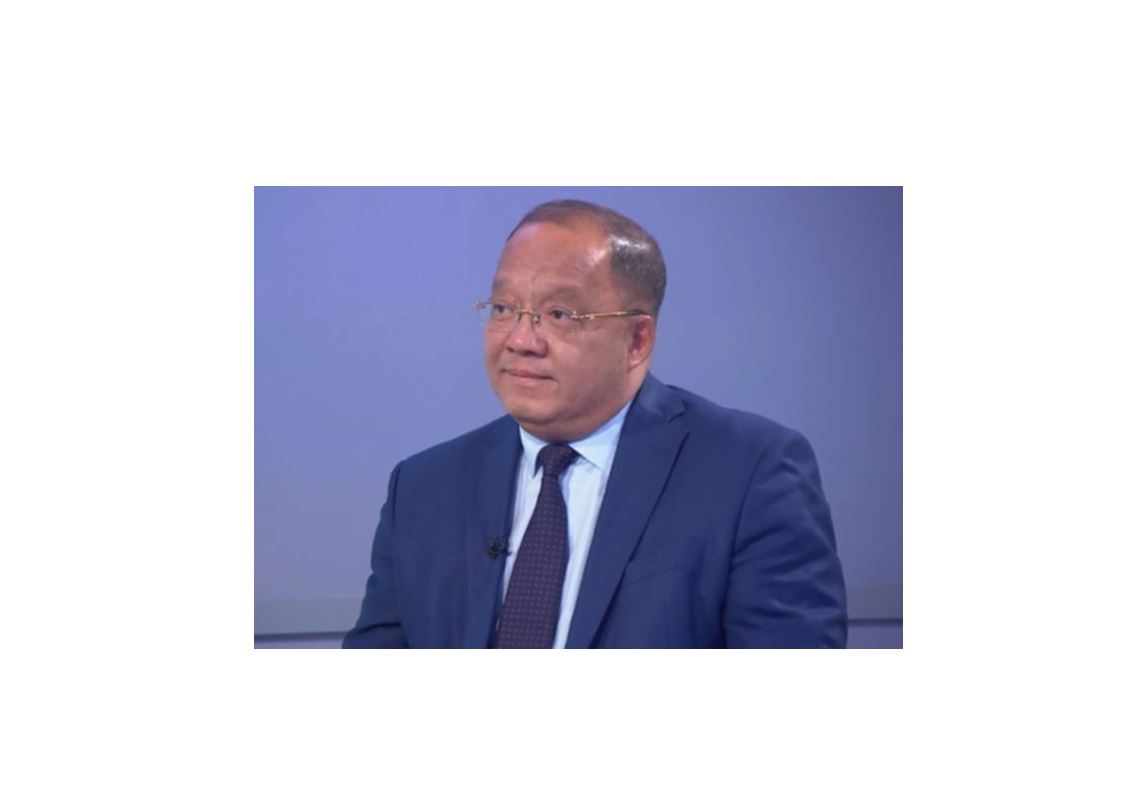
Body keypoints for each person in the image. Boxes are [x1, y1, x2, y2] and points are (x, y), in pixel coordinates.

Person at [343, 199, 847, 648]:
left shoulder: (749, 472)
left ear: (637, 341)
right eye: (503, 308)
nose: (521, 340)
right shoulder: (423, 488)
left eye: (560, 314)